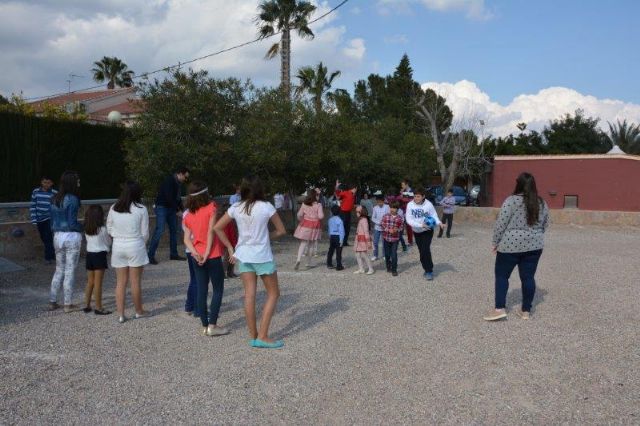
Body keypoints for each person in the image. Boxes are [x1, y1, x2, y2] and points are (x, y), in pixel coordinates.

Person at [214, 175, 287, 349]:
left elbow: (217, 227)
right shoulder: (266, 207)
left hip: (244, 255)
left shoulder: (236, 207)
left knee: (249, 295)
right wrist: (267, 237)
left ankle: (254, 335)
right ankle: (262, 336)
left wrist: (231, 249)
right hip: (262, 255)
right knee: (273, 294)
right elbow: (281, 230)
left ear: (243, 188)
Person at [484, 172, 550, 321]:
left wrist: (495, 242)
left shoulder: (511, 201)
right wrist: (534, 236)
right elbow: (546, 224)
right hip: (534, 246)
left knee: (502, 276)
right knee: (528, 277)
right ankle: (526, 311)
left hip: (510, 246)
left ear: (518, 184)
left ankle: (499, 309)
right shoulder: (541, 202)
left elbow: (501, 223)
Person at [182, 181, 229, 337]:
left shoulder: (188, 215)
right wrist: (208, 253)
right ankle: (213, 325)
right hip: (213, 254)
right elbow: (210, 232)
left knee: (202, 289)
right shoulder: (211, 208)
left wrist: (196, 253)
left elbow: (187, 239)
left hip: (197, 256)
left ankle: (204, 325)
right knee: (217, 289)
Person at [107, 181, 150, 324]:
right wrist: (139, 244)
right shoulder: (141, 209)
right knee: (135, 281)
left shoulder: (114, 208)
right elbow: (145, 233)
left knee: (120, 282)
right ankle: (139, 311)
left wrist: (118, 237)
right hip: (135, 244)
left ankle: (121, 314)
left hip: (118, 245)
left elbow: (109, 228)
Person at [48, 171, 83, 313]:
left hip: (57, 236)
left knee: (59, 269)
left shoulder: (54, 198)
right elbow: (72, 222)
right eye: (77, 180)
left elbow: (52, 219)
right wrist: (84, 227)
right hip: (71, 237)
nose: (79, 182)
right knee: (69, 271)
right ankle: (68, 304)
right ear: (72, 182)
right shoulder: (73, 199)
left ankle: (52, 301)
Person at [147, 166, 190, 264]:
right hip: (162, 207)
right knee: (160, 229)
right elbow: (169, 197)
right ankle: (150, 255)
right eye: (185, 177)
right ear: (180, 174)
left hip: (170, 208)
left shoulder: (178, 183)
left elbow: (177, 198)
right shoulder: (169, 181)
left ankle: (174, 254)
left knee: (174, 230)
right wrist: (177, 210)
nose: (186, 179)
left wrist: (183, 210)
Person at [405, 188, 444, 281]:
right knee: (422, 251)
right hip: (417, 231)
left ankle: (428, 271)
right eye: (415, 196)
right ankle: (428, 266)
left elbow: (434, 215)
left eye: (418, 196)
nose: (416, 198)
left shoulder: (428, 204)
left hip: (428, 230)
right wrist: (420, 225)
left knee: (425, 249)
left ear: (423, 196)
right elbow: (409, 220)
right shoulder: (410, 205)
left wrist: (439, 223)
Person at [82, 205, 112, 315]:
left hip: (89, 255)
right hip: (100, 256)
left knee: (90, 282)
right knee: (98, 283)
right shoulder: (103, 230)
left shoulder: (87, 229)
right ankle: (98, 307)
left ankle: (87, 304)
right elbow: (108, 242)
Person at [293, 189, 324, 271]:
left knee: (303, 243)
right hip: (314, 226)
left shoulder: (304, 204)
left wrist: (302, 220)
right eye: (318, 195)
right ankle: (309, 262)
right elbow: (321, 216)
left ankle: (298, 259)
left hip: (305, 224)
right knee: (311, 244)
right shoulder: (318, 205)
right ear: (316, 196)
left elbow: (299, 215)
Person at [30, 176, 57, 264]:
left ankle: (47, 258)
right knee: (43, 237)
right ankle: (52, 254)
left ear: (52, 183)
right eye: (44, 182)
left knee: (48, 237)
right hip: (39, 219)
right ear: (41, 182)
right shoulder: (36, 191)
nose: (46, 184)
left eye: (48, 183)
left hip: (49, 218)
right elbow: (33, 205)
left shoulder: (54, 193)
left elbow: (57, 207)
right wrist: (34, 219)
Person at [182, 208, 199, 317]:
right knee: (199, 280)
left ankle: (189, 306)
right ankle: (198, 309)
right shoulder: (197, 212)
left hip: (189, 249)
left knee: (194, 279)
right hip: (197, 249)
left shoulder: (186, 213)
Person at [381, 201, 404, 277]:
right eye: (391, 207)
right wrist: (388, 229)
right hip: (386, 238)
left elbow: (401, 227)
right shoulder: (385, 216)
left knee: (394, 255)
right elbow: (382, 224)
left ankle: (394, 270)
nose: (392, 209)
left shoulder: (400, 218)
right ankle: (388, 266)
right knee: (387, 254)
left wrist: (396, 230)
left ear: (397, 209)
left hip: (395, 239)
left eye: (394, 208)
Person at [334, 180, 357, 246]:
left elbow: (350, 204)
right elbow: (338, 194)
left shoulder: (353, 195)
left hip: (348, 213)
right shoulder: (346, 192)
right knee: (342, 227)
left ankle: (344, 242)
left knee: (347, 228)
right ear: (354, 188)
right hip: (343, 212)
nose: (356, 190)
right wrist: (337, 186)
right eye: (356, 189)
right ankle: (339, 241)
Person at [353, 205, 374, 275]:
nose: (356, 213)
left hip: (363, 240)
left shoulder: (364, 220)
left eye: (357, 212)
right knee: (357, 254)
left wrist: (368, 242)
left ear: (361, 212)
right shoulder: (361, 220)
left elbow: (366, 231)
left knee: (364, 255)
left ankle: (370, 268)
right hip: (359, 240)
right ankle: (361, 268)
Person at [370, 195, 389, 261]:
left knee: (384, 242)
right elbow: (373, 217)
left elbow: (388, 216)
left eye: (381, 202)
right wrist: (379, 222)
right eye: (378, 202)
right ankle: (375, 255)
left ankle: (384, 255)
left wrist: (384, 222)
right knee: (375, 242)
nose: (379, 203)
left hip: (385, 227)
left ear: (383, 201)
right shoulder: (375, 208)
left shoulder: (387, 207)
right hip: (377, 227)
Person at [326, 205, 345, 271]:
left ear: (331, 212)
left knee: (331, 250)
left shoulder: (330, 220)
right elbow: (341, 231)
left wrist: (329, 236)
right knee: (338, 252)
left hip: (332, 236)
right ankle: (339, 265)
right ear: (339, 212)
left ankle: (329, 263)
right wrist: (342, 240)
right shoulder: (340, 220)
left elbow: (329, 229)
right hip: (338, 237)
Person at [400, 179, 414, 246]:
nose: (402, 186)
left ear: (407, 184)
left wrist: (402, 197)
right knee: (402, 226)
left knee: (409, 226)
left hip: (409, 211)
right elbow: (400, 199)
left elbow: (411, 201)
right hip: (403, 210)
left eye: (403, 185)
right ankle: (401, 240)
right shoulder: (403, 191)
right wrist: (401, 194)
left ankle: (410, 241)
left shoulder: (411, 191)